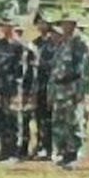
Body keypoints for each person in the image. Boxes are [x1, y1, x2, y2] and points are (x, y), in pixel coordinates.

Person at [0, 14, 37, 162]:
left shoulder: (21, 46)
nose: (5, 28)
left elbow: (22, 71)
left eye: (8, 25)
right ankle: (4, 151)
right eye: (3, 25)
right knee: (1, 120)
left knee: (14, 121)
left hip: (14, 89)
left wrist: (23, 93)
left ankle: (14, 153)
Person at [50, 12, 89, 169]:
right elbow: (56, 68)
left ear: (74, 24)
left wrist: (82, 91)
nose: (64, 26)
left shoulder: (81, 42)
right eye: (63, 23)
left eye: (67, 23)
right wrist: (52, 91)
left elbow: (85, 70)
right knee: (60, 122)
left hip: (73, 88)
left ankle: (74, 154)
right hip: (60, 89)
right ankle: (64, 153)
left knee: (74, 121)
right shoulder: (63, 42)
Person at [29, 9, 60, 160]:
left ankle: (52, 148)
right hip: (38, 86)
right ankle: (41, 145)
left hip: (52, 86)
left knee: (51, 118)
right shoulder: (34, 43)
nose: (42, 25)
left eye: (44, 22)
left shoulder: (55, 42)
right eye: (39, 22)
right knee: (39, 118)